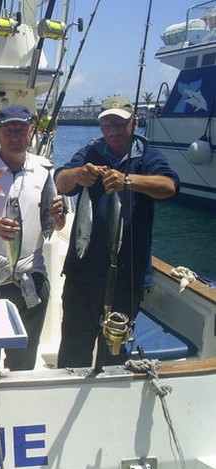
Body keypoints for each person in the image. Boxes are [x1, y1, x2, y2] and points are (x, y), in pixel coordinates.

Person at [55, 96, 179, 368]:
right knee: (74, 346)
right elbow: (61, 181)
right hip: (82, 273)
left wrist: (128, 181)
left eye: (119, 123)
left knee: (114, 351)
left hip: (127, 276)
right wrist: (78, 175)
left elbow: (169, 186)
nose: (112, 129)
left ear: (134, 123)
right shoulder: (90, 153)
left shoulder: (147, 155)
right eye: (106, 123)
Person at [0, 104, 66, 372]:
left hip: (31, 277)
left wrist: (58, 215)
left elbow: (58, 224)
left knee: (23, 361)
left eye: (20, 130)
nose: (14, 136)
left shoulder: (45, 170)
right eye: (8, 130)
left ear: (31, 132)